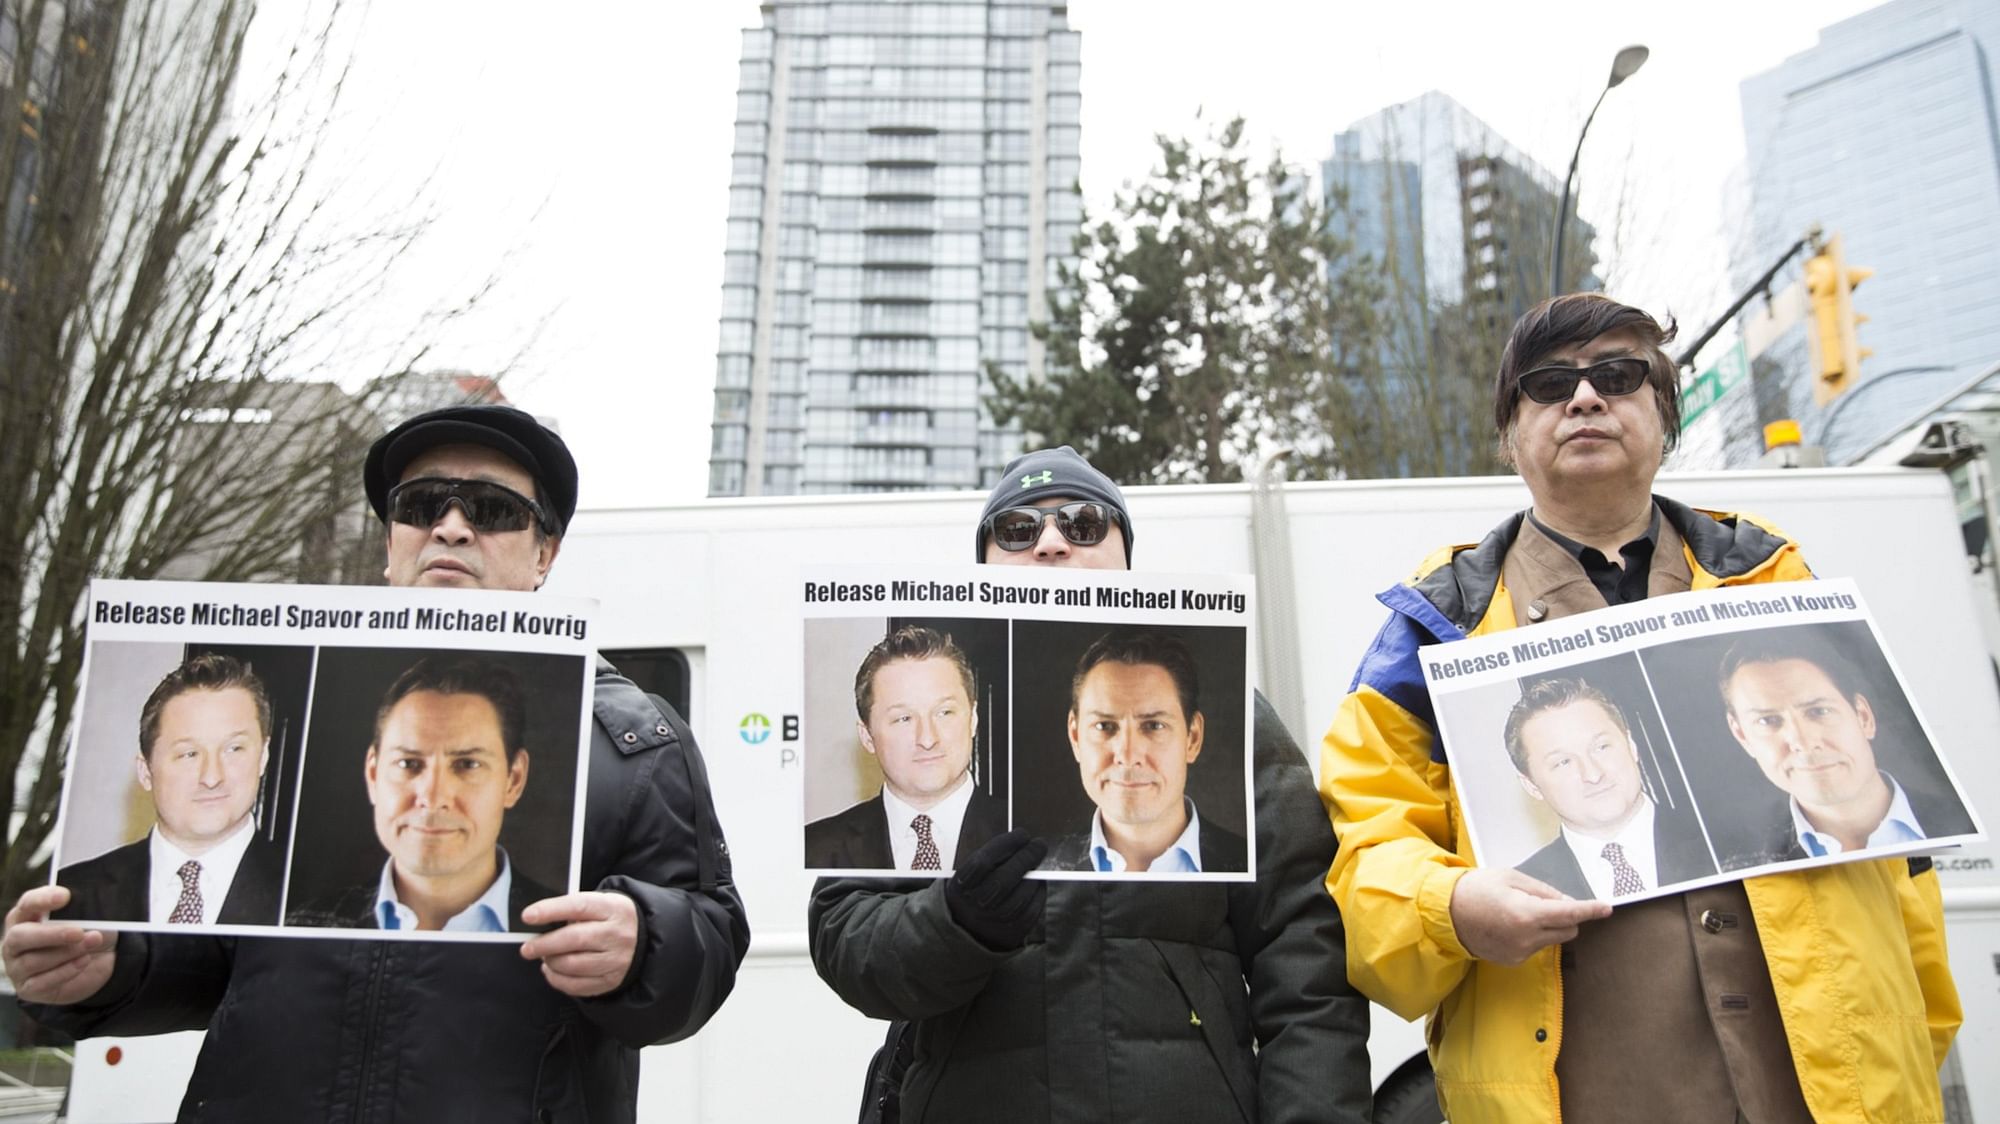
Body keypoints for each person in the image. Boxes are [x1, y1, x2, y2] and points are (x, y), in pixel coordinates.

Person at [5, 404, 750, 1122]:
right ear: (391, 543)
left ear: (544, 555)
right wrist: (109, 968)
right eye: (422, 504)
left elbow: (710, 946)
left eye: (491, 510)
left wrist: (644, 941)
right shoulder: (281, 721)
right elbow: (219, 961)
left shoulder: (638, 741)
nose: (451, 526)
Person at [1322, 293, 1959, 1122]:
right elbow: (1363, 850)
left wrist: (1911, 1033)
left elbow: (1901, 863)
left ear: (1664, 418)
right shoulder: (1432, 630)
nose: (1584, 398)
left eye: (1618, 377)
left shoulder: (1778, 584)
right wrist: (1451, 910)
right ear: (1509, 436)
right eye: (1548, 385)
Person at [811, 445, 1369, 1122]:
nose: (1050, 541)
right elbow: (848, 942)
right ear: (984, 562)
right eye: (1017, 528)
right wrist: (956, 922)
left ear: (1126, 556)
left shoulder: (1238, 720)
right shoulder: (928, 770)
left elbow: (1306, 963)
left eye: (1083, 523)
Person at [286, 656, 559, 932]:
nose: (432, 797)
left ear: (513, 780)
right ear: (373, 774)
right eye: (408, 764)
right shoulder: (300, 926)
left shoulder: (570, 932)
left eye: (467, 764)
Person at [56, 653, 283, 926]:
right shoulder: (68, 897)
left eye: (233, 749)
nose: (212, 777)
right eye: (189, 754)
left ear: (263, 758)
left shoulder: (314, 896)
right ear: (145, 771)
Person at [1718, 633, 1957, 862]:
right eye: (1767, 721)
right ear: (1742, 735)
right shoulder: (1731, 860)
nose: (1802, 742)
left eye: (1818, 711)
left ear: (1863, 717)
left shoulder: (1961, 822)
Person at [1043, 628, 1247, 873]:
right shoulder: (1036, 872)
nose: (1128, 758)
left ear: (1192, 738)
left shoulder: (1258, 869)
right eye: (1104, 726)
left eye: (1154, 726)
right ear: (1075, 737)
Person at [806, 625, 1005, 871]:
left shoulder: (1037, 840)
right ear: (867, 736)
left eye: (944, 713)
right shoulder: (813, 851)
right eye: (904, 718)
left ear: (973, 718)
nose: (927, 738)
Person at [1504, 676, 1714, 899]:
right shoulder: (1521, 894)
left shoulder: (1722, 837)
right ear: (1531, 785)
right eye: (1563, 762)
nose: (1593, 774)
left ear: (1631, 746)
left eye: (1601, 747)